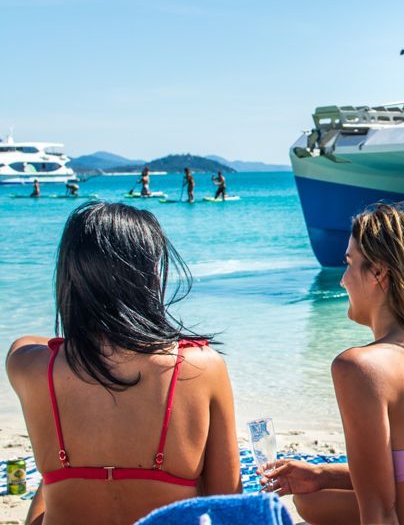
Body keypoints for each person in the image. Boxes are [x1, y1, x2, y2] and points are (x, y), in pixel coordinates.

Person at [260, 202, 404, 525]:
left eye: (349, 263)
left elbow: (381, 514)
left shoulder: (361, 368)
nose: (343, 280)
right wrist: (321, 474)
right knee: (311, 498)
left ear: (379, 273)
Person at [6, 202, 241, 525]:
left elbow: (27, 341)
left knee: (51, 485)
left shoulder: (29, 366)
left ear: (71, 275)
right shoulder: (200, 366)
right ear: (148, 277)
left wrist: (88, 334)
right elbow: (227, 501)